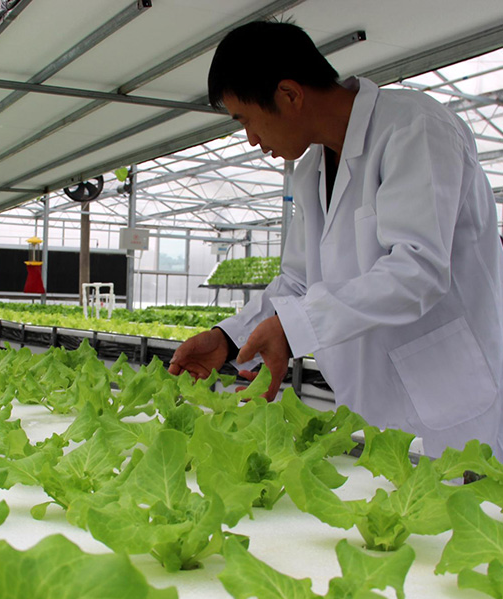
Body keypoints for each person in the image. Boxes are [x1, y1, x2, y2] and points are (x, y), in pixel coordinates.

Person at [168, 20, 503, 459]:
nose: (251, 139)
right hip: (369, 407)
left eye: (246, 120)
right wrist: (229, 338)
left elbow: (418, 269)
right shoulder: (311, 170)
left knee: (457, 497)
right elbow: (298, 281)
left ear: (289, 94)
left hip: (451, 402)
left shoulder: (414, 128)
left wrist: (296, 327)